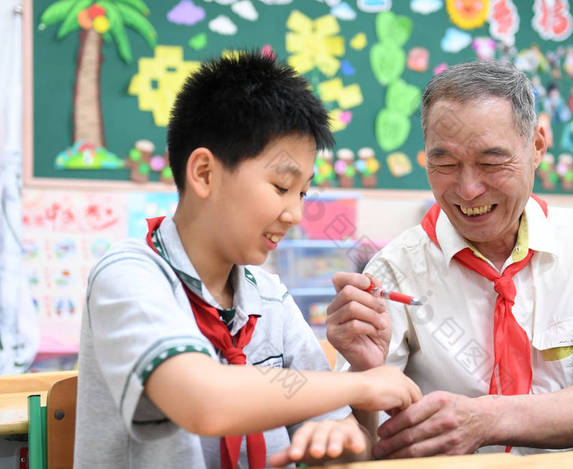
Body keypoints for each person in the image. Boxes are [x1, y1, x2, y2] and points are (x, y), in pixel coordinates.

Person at [74, 51, 421, 469]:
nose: (295, 213)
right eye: (281, 186)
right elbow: (204, 402)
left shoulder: (270, 299)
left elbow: (351, 444)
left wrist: (342, 434)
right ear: (204, 173)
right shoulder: (130, 275)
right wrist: (360, 388)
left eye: (303, 193)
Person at [326, 60, 573, 458]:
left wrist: (485, 420)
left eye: (491, 163)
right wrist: (364, 376)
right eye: (445, 163)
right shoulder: (396, 269)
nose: (467, 190)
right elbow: (368, 440)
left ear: (536, 146)